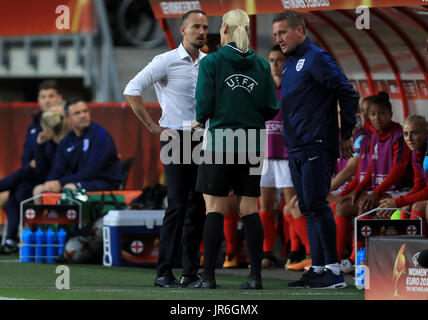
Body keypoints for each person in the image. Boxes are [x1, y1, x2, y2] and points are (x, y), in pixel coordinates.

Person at [189, 8, 280, 289]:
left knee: (214, 208)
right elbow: (271, 107)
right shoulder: (263, 65)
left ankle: (209, 278)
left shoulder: (212, 62)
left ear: (224, 30)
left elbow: (203, 104)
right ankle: (255, 277)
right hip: (253, 142)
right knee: (249, 209)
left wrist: (200, 121)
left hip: (221, 141)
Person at [272, 11, 359, 289]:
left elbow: (347, 92)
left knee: (317, 204)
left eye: (283, 33)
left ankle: (333, 271)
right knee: (308, 206)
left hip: (317, 144)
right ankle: (318, 267)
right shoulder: (290, 64)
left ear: (300, 30)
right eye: (275, 35)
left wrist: (346, 133)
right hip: (295, 146)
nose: (279, 39)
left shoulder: (317, 58)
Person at [123, 10, 208, 288]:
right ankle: (163, 273)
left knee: (197, 207)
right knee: (177, 205)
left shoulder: (209, 63)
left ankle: (190, 273)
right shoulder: (166, 61)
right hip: (176, 138)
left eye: (205, 27)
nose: (202, 31)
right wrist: (151, 125)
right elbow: (132, 88)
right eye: (196, 26)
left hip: (202, 139)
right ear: (182, 30)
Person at [336, 92, 411, 266]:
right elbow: (370, 168)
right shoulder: (374, 136)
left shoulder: (399, 135)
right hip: (378, 191)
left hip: (397, 191)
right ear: (368, 116)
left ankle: (357, 259)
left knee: (365, 206)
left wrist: (374, 193)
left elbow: (397, 170)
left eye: (382, 114)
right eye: (373, 114)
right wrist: (359, 189)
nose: (377, 118)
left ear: (390, 114)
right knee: (342, 207)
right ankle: (337, 259)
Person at [0, 107, 69, 253]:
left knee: (22, 179)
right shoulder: (48, 142)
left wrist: (38, 149)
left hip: (53, 183)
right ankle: (11, 240)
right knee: (17, 187)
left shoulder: (62, 144)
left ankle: (12, 239)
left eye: (43, 128)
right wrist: (38, 145)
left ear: (48, 129)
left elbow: (44, 169)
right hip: (40, 180)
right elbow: (37, 164)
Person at [33, 98, 122, 197]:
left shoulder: (100, 135)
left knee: (69, 189)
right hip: (78, 181)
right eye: (77, 113)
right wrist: (50, 183)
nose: (83, 115)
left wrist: (60, 182)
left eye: (85, 111)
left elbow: (93, 170)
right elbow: (58, 168)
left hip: (104, 182)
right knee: (39, 190)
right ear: (67, 118)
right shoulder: (66, 141)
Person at [0, 80, 63, 222]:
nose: (47, 100)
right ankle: (16, 238)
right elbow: (26, 157)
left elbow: (62, 157)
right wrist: (32, 163)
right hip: (34, 174)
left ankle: (25, 234)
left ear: (59, 98)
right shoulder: (34, 126)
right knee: (15, 191)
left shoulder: (64, 124)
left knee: (19, 191)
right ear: (38, 100)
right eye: (43, 96)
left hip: (53, 176)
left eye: (51, 96)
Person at [378, 114, 428, 236]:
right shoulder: (415, 153)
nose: (409, 138)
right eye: (405, 134)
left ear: (426, 133)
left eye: (414, 133)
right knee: (406, 207)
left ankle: (421, 251)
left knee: (418, 206)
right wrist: (397, 203)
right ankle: (406, 248)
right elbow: (418, 186)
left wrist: (397, 202)